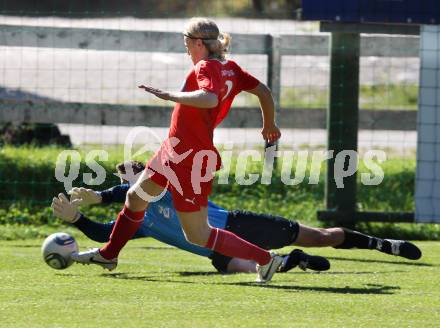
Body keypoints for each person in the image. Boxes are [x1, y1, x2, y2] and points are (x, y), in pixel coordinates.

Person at [72, 17, 284, 282]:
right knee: (136, 199)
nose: (185, 47)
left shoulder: (205, 66)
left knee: (198, 234)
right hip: (172, 150)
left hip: (190, 159)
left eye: (186, 42)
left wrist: (169, 95)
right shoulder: (229, 68)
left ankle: (266, 259)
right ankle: (109, 254)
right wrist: (269, 124)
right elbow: (263, 91)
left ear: (197, 43)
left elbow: (209, 99)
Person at [53, 161, 421, 274]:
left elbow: (131, 192)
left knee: (322, 236)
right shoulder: (137, 217)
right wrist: (77, 220)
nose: (132, 179)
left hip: (238, 225)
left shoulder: (164, 185)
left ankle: (383, 244)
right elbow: (108, 231)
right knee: (237, 268)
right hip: (217, 251)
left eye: (136, 171)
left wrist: (101, 194)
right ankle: (292, 262)